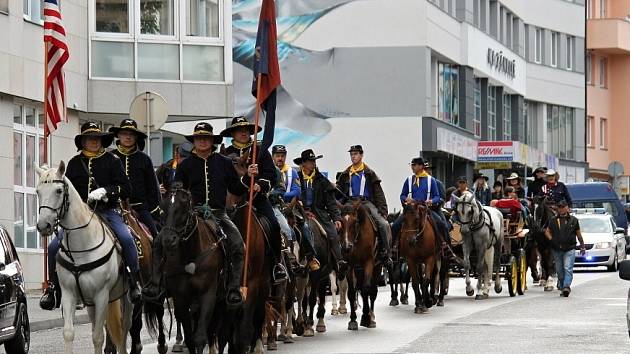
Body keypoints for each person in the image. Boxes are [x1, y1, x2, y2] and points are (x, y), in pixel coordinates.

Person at [143, 122, 253, 306]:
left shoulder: (223, 163)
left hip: (218, 214)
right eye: (198, 138)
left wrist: (248, 177)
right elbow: (178, 188)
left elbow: (236, 188)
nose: (202, 141)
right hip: (191, 216)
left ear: (212, 141)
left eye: (206, 138)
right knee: (160, 241)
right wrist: (176, 193)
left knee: (238, 244)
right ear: (194, 141)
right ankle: (157, 283)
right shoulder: (185, 165)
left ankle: (233, 288)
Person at [41, 122, 141, 310]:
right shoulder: (73, 163)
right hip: (79, 217)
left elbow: (125, 188)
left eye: (97, 139)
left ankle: (133, 281)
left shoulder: (112, 161)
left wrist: (106, 191)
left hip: (107, 212)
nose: (94, 142)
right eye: (89, 139)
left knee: (127, 239)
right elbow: (65, 191)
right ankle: (53, 289)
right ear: (83, 142)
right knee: (54, 246)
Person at [221, 117, 288, 283]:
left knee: (274, 225)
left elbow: (271, 175)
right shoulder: (225, 154)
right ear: (233, 134)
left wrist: (260, 184)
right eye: (239, 130)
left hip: (257, 199)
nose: (243, 133)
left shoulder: (260, 151)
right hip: (231, 201)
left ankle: (276, 265)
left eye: (246, 130)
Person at [336, 145, 392, 266]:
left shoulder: (369, 173)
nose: (353, 156)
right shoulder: (345, 174)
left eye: (355, 154)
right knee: (336, 223)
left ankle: (385, 252)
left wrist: (383, 210)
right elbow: (338, 191)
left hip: (366, 202)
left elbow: (378, 192)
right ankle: (337, 253)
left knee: (383, 223)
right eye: (351, 154)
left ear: (361, 155)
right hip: (350, 202)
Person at [295, 149, 348, 275]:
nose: (313, 163)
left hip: (319, 213)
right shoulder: (296, 177)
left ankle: (339, 261)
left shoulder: (322, 180)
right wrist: (302, 210)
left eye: (314, 161)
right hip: (299, 211)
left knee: (332, 233)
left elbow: (330, 202)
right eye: (310, 161)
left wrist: (336, 218)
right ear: (303, 163)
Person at [270, 144, 320, 271]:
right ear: (273, 157)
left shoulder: (292, 172)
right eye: (277, 156)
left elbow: (297, 191)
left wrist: (283, 196)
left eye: (282, 156)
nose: (280, 158)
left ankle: (310, 256)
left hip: (291, 205)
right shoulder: (268, 170)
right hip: (272, 205)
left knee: (305, 226)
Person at [109, 118, 161, 237]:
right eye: (124, 134)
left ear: (136, 137)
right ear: (118, 136)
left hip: (140, 208)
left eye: (131, 134)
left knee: (155, 235)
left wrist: (152, 211)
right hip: (114, 208)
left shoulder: (144, 159)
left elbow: (152, 187)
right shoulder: (110, 157)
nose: (128, 137)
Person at [392, 157, 450, 247]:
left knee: (442, 224)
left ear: (420, 166)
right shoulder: (409, 180)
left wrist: (431, 201)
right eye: (412, 165)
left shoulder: (431, 180)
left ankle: (447, 248)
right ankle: (391, 249)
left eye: (414, 165)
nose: (412, 167)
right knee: (395, 225)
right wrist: (405, 200)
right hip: (411, 210)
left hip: (426, 210)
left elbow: (437, 197)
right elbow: (402, 195)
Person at [544, 199, 586, 297]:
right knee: (559, 269)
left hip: (570, 248)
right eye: (560, 207)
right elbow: (547, 231)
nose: (562, 209)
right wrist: (551, 240)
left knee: (567, 268)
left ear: (567, 208)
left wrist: (582, 246)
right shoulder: (553, 220)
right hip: (557, 249)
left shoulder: (574, 220)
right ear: (557, 209)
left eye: (563, 207)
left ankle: (566, 287)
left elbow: (578, 233)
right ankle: (562, 285)